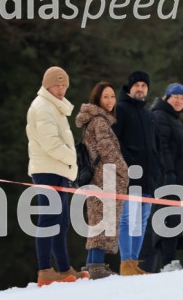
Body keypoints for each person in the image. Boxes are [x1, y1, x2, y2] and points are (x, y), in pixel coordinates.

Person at [26, 66, 89, 286]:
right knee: (49, 220)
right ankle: (45, 270)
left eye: (64, 85)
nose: (61, 89)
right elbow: (50, 143)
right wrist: (73, 158)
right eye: (57, 85)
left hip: (58, 169)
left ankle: (63, 269)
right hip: (48, 170)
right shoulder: (43, 107)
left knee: (61, 222)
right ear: (47, 85)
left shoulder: (54, 107)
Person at [75, 81, 129, 279]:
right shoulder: (99, 121)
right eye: (105, 96)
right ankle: (96, 263)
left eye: (112, 96)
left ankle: (92, 263)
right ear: (97, 99)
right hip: (103, 177)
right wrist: (124, 170)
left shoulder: (98, 120)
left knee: (98, 218)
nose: (110, 100)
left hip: (97, 176)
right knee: (102, 219)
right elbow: (107, 150)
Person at [112, 71, 163, 276]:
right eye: (137, 85)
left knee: (142, 219)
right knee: (126, 218)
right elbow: (116, 142)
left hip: (149, 176)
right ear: (130, 87)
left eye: (144, 85)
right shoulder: (120, 109)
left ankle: (134, 262)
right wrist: (128, 162)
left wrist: (158, 167)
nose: (140, 88)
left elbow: (156, 146)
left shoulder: (150, 115)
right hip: (129, 174)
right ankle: (126, 263)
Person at [151, 83, 183, 272]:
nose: (179, 101)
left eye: (182, 98)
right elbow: (162, 146)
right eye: (175, 97)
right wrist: (168, 171)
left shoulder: (173, 118)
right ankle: (167, 261)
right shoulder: (161, 116)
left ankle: (171, 259)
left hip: (180, 177)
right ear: (166, 98)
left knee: (177, 217)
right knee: (168, 217)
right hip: (169, 177)